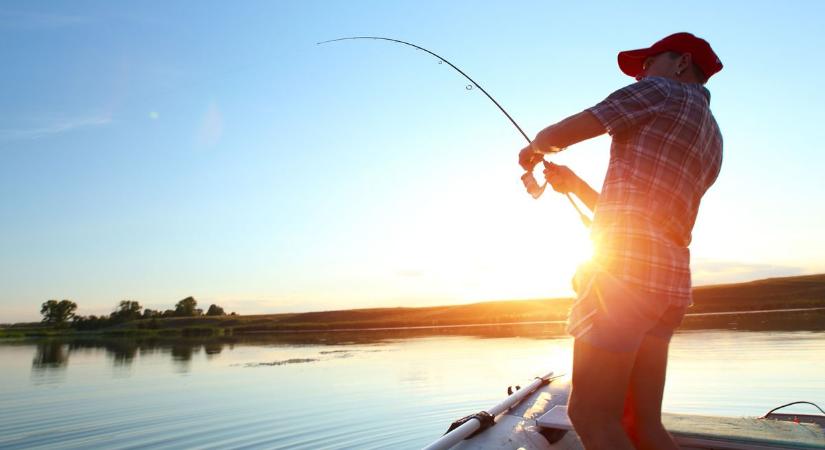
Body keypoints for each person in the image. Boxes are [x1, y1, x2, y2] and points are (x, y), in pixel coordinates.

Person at [518, 32, 723, 449]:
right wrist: (574, 185)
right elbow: (640, 215)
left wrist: (536, 148)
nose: (642, 74)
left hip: (625, 278)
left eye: (648, 63)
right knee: (643, 424)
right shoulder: (713, 136)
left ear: (681, 63)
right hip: (668, 285)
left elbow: (565, 131)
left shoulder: (660, 91)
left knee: (591, 416)